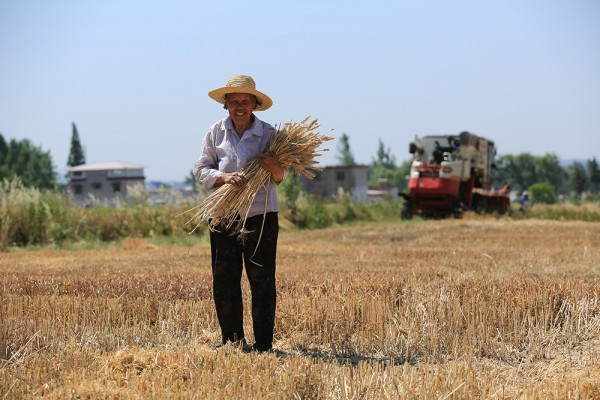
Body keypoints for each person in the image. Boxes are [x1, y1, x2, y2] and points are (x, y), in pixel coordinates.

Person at [193, 75, 285, 352]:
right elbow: (200, 169)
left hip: (261, 214)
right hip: (224, 214)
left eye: (245, 101)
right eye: (234, 102)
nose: (240, 106)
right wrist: (223, 177)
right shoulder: (215, 132)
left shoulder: (269, 134)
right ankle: (232, 341)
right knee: (224, 279)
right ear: (227, 105)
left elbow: (281, 176)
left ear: (255, 104)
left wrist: (271, 166)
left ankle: (264, 345)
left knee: (262, 279)